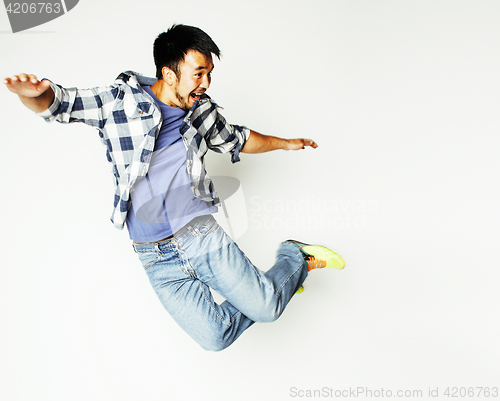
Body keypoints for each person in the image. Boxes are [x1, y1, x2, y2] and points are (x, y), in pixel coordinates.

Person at [4, 24, 345, 351]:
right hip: (153, 254)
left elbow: (237, 140)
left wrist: (285, 143)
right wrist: (34, 94)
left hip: (198, 235)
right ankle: (271, 287)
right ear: (169, 73)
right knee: (215, 337)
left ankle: (292, 256)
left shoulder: (200, 109)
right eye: (199, 73)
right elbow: (61, 103)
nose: (206, 82)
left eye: (209, 73)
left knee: (268, 308)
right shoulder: (118, 101)